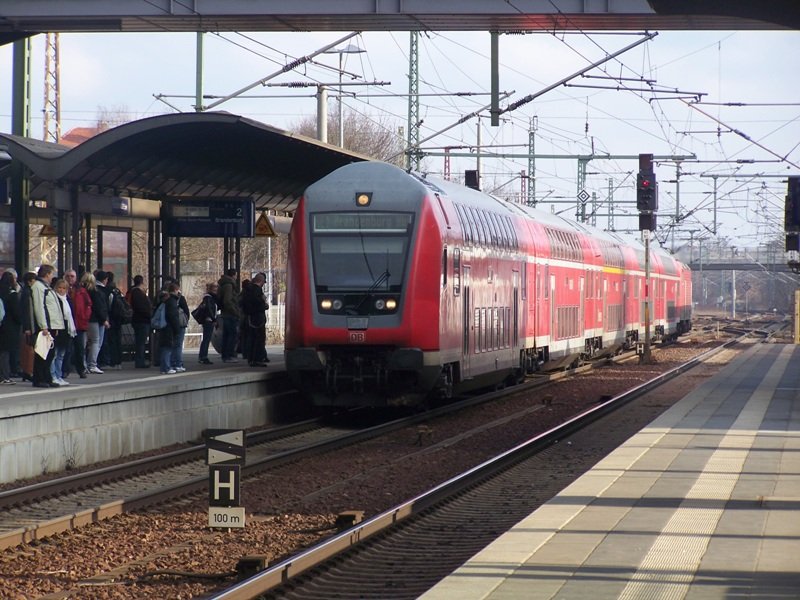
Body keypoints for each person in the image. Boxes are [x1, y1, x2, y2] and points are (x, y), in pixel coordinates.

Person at [31, 264, 63, 388]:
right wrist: (43, 325)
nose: (52, 277)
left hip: (51, 325)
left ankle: (47, 377)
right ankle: (39, 378)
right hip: (46, 326)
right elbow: (39, 307)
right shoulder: (39, 287)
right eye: (51, 274)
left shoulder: (46, 287)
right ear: (47, 274)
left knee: (50, 354)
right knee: (42, 353)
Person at [49, 278, 76, 387]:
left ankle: (59, 375)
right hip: (57, 329)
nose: (61, 290)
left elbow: (71, 315)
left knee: (61, 354)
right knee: (54, 354)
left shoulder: (67, 300)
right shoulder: (54, 299)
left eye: (63, 288)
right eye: (59, 287)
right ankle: (53, 375)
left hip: (66, 330)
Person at [240, 272, 270, 366]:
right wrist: (265, 305)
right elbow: (259, 304)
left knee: (251, 339)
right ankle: (257, 359)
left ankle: (251, 359)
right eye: (263, 282)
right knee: (259, 339)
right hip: (257, 319)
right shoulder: (257, 291)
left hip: (249, 318)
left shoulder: (246, 290)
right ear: (260, 281)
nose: (263, 284)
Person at [68, 270, 91, 378]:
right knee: (67, 348)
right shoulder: (63, 290)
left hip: (79, 323)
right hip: (68, 323)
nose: (70, 278)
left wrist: (85, 316)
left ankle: (81, 369)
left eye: (72, 276)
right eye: (68, 276)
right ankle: (65, 370)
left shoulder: (81, 291)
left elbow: (88, 305)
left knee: (80, 348)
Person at [86, 271, 110, 374]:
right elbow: (100, 307)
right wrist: (104, 319)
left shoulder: (85, 291)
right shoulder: (98, 291)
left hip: (88, 319)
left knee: (89, 342)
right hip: (96, 320)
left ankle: (88, 364)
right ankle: (92, 364)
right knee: (96, 342)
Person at [127, 275, 153, 368]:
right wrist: (150, 315)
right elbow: (142, 307)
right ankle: (140, 361)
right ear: (141, 283)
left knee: (140, 341)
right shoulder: (138, 293)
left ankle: (140, 360)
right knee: (141, 342)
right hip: (142, 320)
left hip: (138, 320)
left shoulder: (133, 291)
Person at [0, 270, 21, 384]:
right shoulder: (12, 294)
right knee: (5, 352)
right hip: (9, 326)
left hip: (1, 325)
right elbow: (16, 313)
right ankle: (4, 375)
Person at [157, 284, 181, 375]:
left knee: (164, 347)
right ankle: (166, 367)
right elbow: (173, 316)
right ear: (175, 290)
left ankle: (164, 367)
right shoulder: (172, 301)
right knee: (168, 347)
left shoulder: (166, 301)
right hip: (169, 328)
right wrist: (177, 329)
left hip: (164, 327)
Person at [217, 268, 241, 363]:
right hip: (230, 314)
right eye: (236, 275)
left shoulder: (223, 284)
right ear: (234, 275)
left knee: (226, 335)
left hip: (225, 313)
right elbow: (227, 300)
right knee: (231, 335)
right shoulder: (229, 285)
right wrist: (236, 312)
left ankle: (225, 355)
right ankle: (228, 355)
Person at [18, 272, 37, 382]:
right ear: (30, 281)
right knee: (30, 349)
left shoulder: (25, 291)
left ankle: (27, 370)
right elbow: (27, 311)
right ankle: (28, 371)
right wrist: (28, 327)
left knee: (28, 349)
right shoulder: (27, 293)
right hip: (29, 326)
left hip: (27, 325)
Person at [103, 271, 123, 370]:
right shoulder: (116, 290)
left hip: (110, 319)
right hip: (117, 319)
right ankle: (118, 360)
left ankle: (110, 360)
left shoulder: (106, 291)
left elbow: (107, 307)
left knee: (109, 341)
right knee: (117, 340)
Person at [169, 280, 190, 373]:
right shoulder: (180, 298)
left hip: (169, 324)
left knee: (171, 345)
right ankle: (178, 364)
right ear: (177, 289)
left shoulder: (165, 298)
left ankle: (171, 363)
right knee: (178, 345)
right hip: (180, 324)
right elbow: (186, 310)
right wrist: (185, 320)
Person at [197, 282, 219, 365]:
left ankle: (203, 356)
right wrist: (214, 320)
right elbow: (209, 309)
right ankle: (203, 356)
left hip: (209, 320)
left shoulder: (210, 298)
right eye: (215, 288)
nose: (216, 290)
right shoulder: (209, 298)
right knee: (206, 339)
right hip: (208, 320)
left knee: (206, 339)